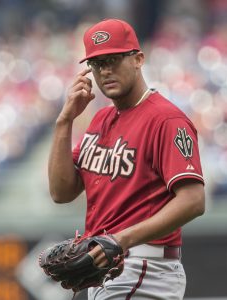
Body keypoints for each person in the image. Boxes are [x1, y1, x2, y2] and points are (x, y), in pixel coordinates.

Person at [48, 18, 205, 300]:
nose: (105, 70)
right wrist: (64, 121)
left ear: (138, 59)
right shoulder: (101, 119)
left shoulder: (166, 119)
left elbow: (193, 200)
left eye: (114, 59)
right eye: (97, 64)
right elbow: (61, 192)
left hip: (146, 268)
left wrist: (120, 240)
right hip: (109, 268)